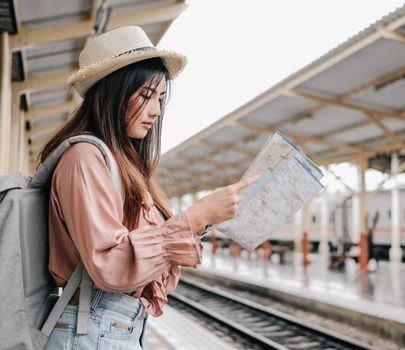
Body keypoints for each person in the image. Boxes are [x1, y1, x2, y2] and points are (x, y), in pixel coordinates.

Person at [38, 26, 259, 349]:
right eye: (145, 95)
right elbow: (110, 267)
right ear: (112, 91)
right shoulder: (84, 158)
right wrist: (193, 219)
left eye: (160, 98)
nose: (156, 111)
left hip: (113, 329)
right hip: (91, 332)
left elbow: (152, 277)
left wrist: (204, 219)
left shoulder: (122, 166)